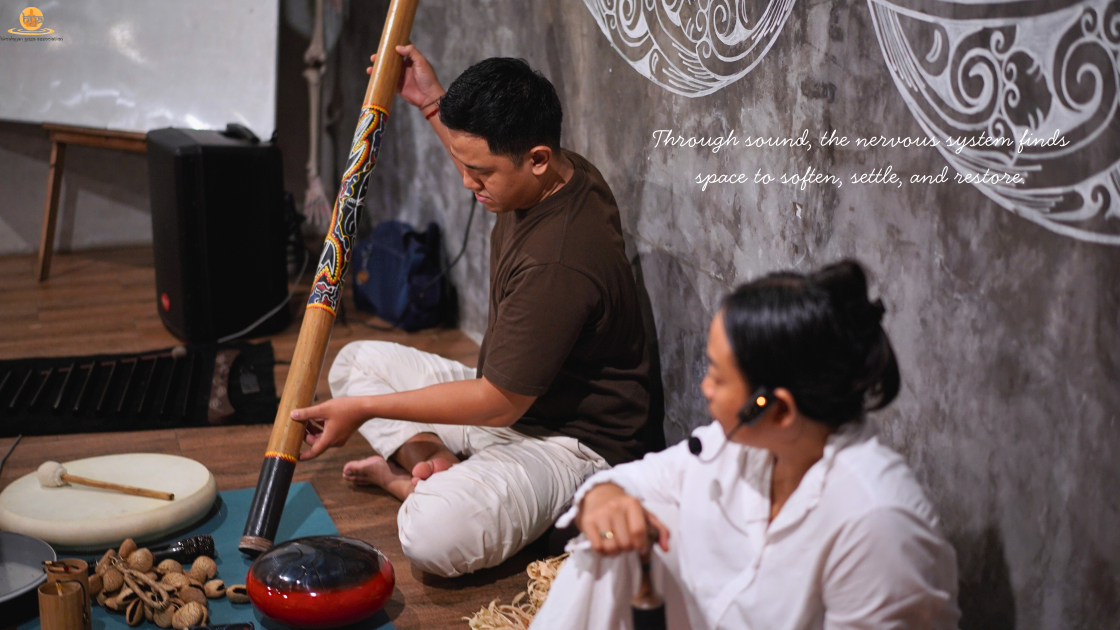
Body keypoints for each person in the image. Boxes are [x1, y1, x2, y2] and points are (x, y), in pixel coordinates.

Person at [290, 47, 656, 578]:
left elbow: (498, 404)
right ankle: (433, 463)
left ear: (536, 158)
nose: (467, 183)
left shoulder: (558, 261)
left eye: (480, 173)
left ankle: (413, 482)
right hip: (509, 397)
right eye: (466, 166)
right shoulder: (560, 171)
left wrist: (366, 411)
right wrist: (431, 101)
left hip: (569, 444)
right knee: (355, 362)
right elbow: (485, 158)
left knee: (430, 533)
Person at [529, 261, 960, 630]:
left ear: (776, 409)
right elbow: (637, 480)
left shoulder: (875, 523)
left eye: (717, 375)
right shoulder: (738, 446)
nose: (704, 387)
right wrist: (606, 499)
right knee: (611, 544)